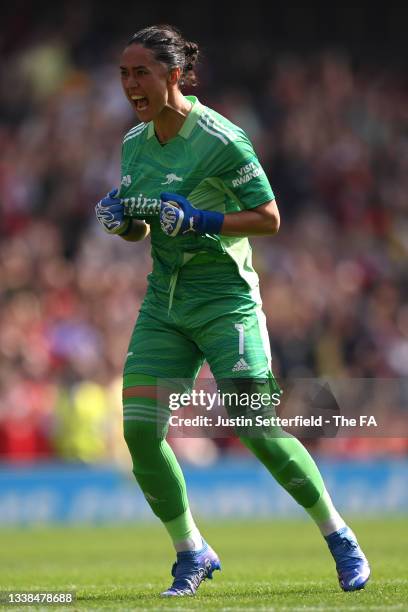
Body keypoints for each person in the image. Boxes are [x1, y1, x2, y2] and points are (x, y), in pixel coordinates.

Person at [95, 24, 370, 597]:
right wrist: (125, 224)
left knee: (254, 425)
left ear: (174, 75)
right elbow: (145, 226)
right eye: (123, 73)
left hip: (226, 303)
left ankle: (339, 534)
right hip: (164, 304)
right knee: (140, 433)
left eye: (140, 72)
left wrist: (203, 220)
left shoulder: (222, 138)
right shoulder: (133, 144)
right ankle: (191, 550)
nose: (129, 85)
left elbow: (270, 217)